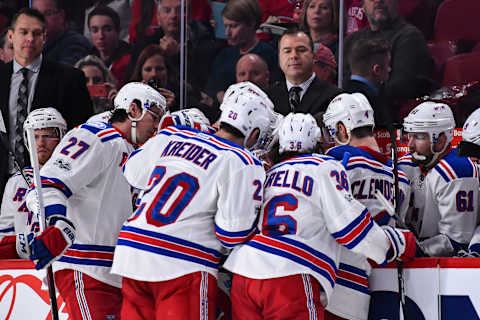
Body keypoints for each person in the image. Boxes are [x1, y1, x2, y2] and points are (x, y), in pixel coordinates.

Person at [223, 112, 416, 319]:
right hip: (290, 273)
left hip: (244, 272)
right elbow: (351, 230)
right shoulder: (324, 167)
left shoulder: (268, 175)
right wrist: (397, 243)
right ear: (318, 143)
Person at [111, 82, 277, 320]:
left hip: (133, 251)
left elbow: (133, 172)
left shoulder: (172, 135)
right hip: (183, 262)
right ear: (254, 133)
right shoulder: (242, 161)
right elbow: (233, 232)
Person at [24, 82, 166, 319]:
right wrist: (58, 223)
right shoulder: (96, 137)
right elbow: (47, 185)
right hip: (87, 269)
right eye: (154, 117)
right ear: (134, 110)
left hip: (115, 275)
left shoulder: (133, 153)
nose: (156, 127)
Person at [323, 93, 411, 320]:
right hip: (374, 283)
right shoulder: (400, 177)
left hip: (332, 283)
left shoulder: (336, 163)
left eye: (333, 132)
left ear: (342, 129)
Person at [0, 8, 93, 190]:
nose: (30, 39)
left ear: (45, 37)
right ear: (11, 36)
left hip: (51, 178)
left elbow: (81, 132)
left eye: (36, 33)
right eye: (23, 32)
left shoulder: (69, 78)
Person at [399, 101, 479, 257]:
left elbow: (457, 242)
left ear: (441, 141)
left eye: (419, 137)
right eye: (409, 135)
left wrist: (415, 251)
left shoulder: (457, 172)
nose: (410, 145)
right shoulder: (404, 166)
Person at [343, 0, 433, 122]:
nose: (378, 1)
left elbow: (400, 88)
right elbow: (341, 81)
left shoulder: (410, 37)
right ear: (363, 6)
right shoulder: (351, 41)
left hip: (388, 119)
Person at [0, 108, 66, 259]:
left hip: (65, 264)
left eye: (48, 136)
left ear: (62, 137)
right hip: (25, 269)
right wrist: (24, 245)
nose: (41, 143)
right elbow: (4, 233)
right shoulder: (17, 182)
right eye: (34, 136)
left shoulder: (74, 179)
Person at [205, 0, 279, 105]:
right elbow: (210, 89)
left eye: (233, 26)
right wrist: (219, 95)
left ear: (251, 24)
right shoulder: (224, 55)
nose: (227, 33)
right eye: (226, 26)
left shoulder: (269, 55)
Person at [266, 28, 342, 116]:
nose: (293, 56)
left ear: (313, 56)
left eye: (301, 50)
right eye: (287, 51)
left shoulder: (335, 97)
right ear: (279, 58)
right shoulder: (266, 98)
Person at [344, 38, 392, 128]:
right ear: (377, 70)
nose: (390, 69)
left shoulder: (341, 93)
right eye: (388, 65)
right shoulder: (372, 102)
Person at [32, 0, 92, 66]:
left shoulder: (75, 43)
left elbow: (63, 74)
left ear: (61, 16)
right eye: (36, 14)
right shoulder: (31, 41)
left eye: (48, 13)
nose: (40, 19)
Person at [87, 5, 132, 86]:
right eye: (95, 30)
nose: (101, 36)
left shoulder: (132, 59)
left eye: (107, 30)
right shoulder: (87, 60)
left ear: (118, 31)